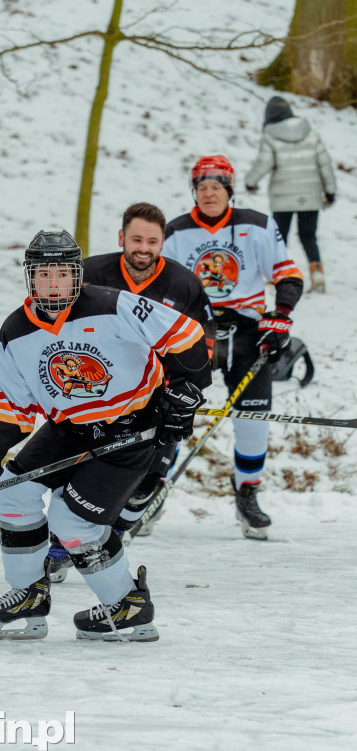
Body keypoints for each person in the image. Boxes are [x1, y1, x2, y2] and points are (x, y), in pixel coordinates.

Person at [0, 229, 211, 642]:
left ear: (77, 275)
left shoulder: (113, 305)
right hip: (69, 427)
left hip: (130, 427)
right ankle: (28, 593)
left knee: (71, 520)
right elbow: (9, 407)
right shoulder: (15, 331)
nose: (53, 284)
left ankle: (127, 605)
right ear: (29, 278)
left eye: (62, 274)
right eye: (43, 275)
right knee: (12, 491)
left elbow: (187, 336)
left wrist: (184, 390)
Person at [47, 202, 215, 583]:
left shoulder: (184, 284)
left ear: (162, 242)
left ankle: (112, 536)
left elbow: (203, 344)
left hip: (158, 401)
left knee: (145, 484)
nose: (144, 248)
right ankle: (59, 546)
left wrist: (187, 389)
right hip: (97, 393)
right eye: (136, 239)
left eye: (152, 241)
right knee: (77, 472)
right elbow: (55, 325)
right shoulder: (89, 273)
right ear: (121, 237)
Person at [163, 154, 303, 540]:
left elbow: (288, 275)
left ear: (229, 190)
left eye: (216, 187)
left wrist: (281, 315)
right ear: (194, 192)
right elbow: (160, 287)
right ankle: (151, 489)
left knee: (253, 418)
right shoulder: (174, 231)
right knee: (171, 411)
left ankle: (247, 493)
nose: (209, 194)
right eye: (202, 187)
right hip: (194, 331)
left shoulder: (258, 225)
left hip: (247, 331)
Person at [245, 96, 336, 294]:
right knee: (308, 236)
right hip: (309, 197)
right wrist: (330, 191)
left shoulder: (270, 135)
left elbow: (263, 163)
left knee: (280, 238)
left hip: (282, 199)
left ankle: (277, 275)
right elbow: (325, 164)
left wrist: (250, 182)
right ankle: (317, 273)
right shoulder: (310, 133)